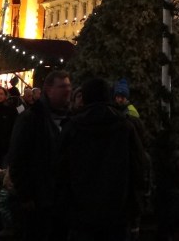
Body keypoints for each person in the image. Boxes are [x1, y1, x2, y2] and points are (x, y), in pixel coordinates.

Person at [56, 78, 148, 241]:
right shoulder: (125, 126)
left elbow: (60, 170)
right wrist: (134, 209)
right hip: (116, 212)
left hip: (81, 213)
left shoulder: (73, 127)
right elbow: (138, 168)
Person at [6, 69, 72, 241]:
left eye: (69, 86)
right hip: (38, 200)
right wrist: (26, 195)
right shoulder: (31, 118)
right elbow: (18, 157)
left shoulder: (70, 118)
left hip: (62, 201)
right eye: (62, 86)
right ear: (49, 90)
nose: (68, 90)